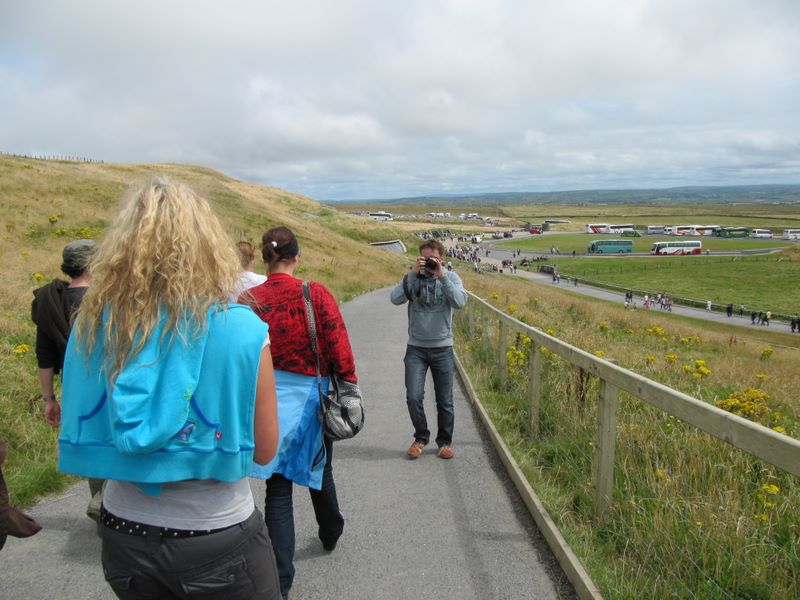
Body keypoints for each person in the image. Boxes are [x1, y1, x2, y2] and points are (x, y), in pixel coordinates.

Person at [58, 178, 281, 600]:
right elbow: (265, 449)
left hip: (123, 530)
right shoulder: (242, 329)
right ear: (209, 247)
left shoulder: (95, 325)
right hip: (214, 531)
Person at [244, 226, 355, 600]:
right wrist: (348, 384)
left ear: (266, 258)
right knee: (320, 467)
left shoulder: (249, 300)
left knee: (277, 488)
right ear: (296, 257)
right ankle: (331, 530)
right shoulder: (314, 293)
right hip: (311, 396)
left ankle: (281, 581)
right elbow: (338, 344)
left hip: (265, 398)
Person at [31, 239, 103, 521]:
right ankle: (106, 499)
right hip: (107, 381)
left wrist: (49, 398)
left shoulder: (49, 300)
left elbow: (44, 354)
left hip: (73, 386)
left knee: (90, 442)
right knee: (111, 439)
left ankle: (101, 500)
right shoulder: (107, 297)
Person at [391, 239, 467, 460]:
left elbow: (460, 302)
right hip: (416, 348)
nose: (428, 263)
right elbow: (395, 298)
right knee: (413, 397)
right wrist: (413, 274)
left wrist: (441, 276)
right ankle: (421, 437)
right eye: (424, 259)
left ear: (441, 259)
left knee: (445, 401)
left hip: (443, 348)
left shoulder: (451, 278)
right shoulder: (413, 278)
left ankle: (444, 442)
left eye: (432, 258)